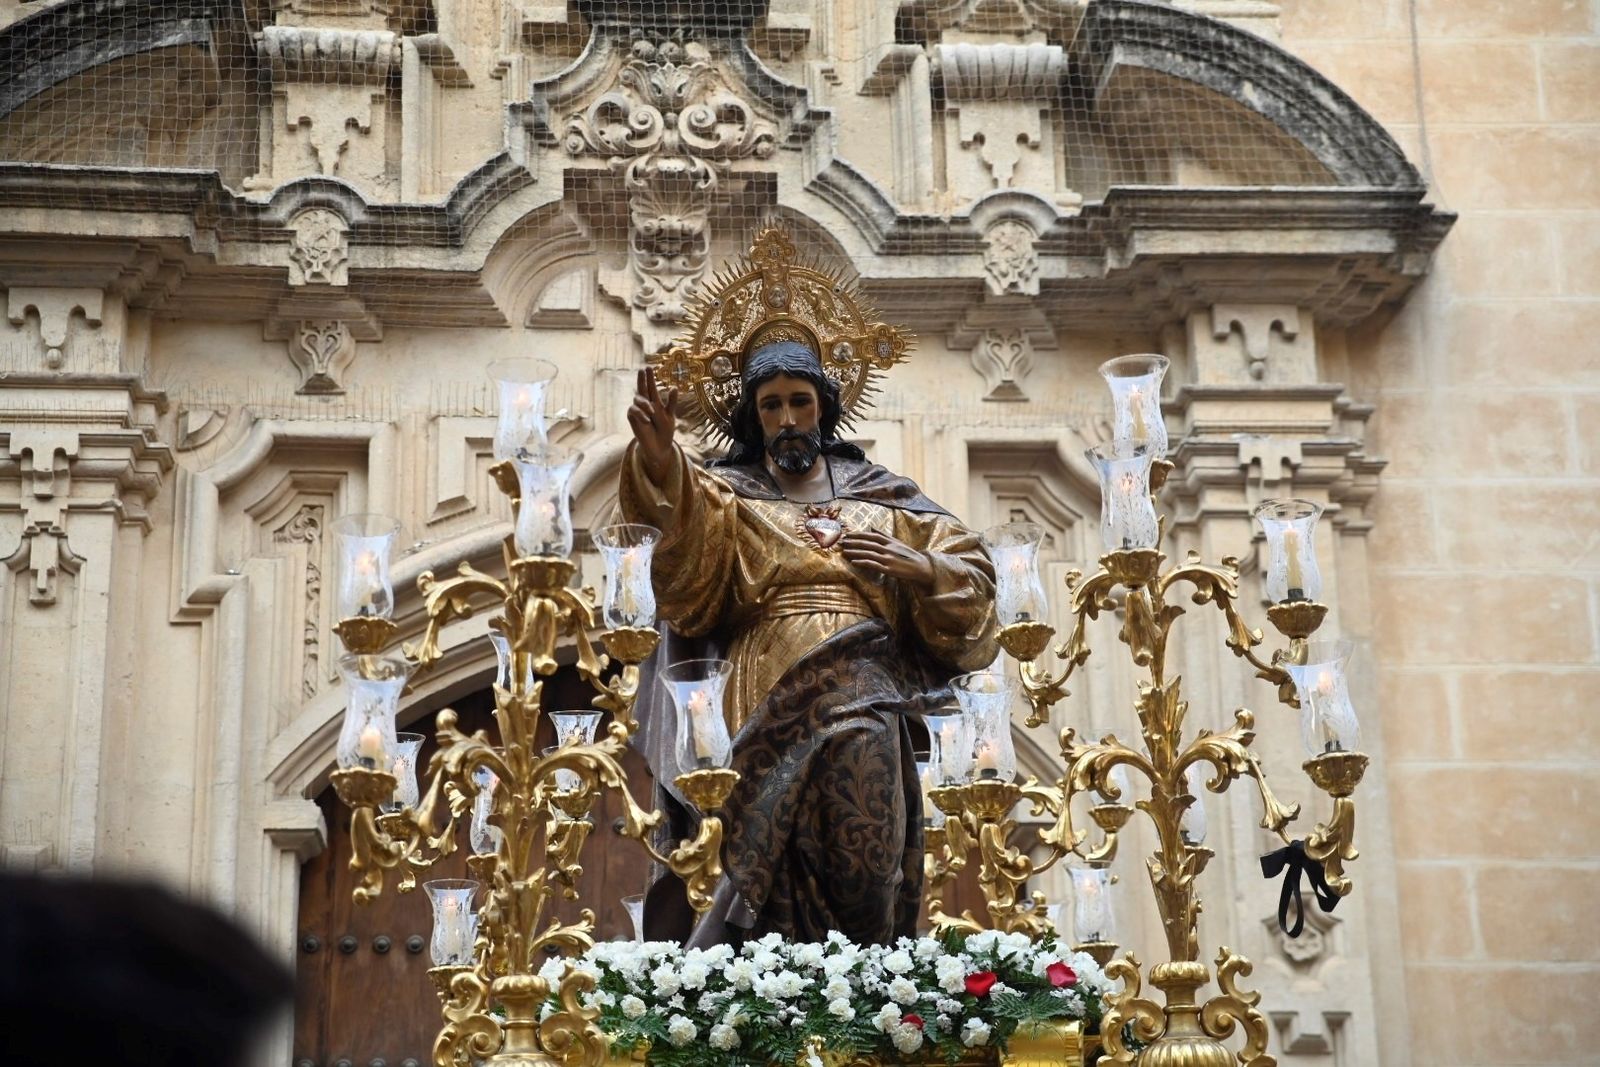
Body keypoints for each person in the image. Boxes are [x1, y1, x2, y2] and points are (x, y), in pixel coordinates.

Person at [619, 230, 998, 946]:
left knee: (864, 859)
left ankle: (865, 989)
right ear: (751, 415)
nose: (787, 419)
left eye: (799, 401)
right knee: (766, 878)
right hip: (764, 699)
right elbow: (681, 555)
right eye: (770, 405)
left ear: (825, 405)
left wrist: (916, 567)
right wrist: (663, 460)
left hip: (867, 691)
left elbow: (973, 577)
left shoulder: (884, 497)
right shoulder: (731, 496)